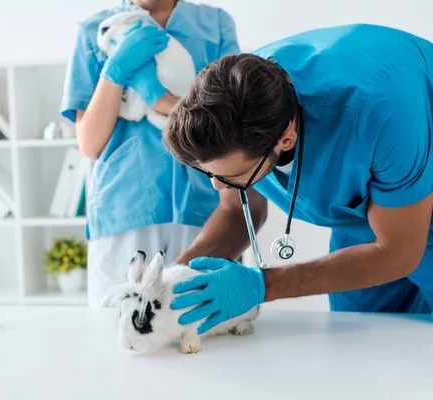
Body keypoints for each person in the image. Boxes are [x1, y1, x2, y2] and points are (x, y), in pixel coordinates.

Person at [163, 23, 433, 334]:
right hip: (362, 222)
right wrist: (174, 278)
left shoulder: (378, 111)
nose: (217, 186)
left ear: (285, 139)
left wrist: (265, 285)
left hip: (410, 166)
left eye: (232, 176)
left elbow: (396, 253)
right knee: (359, 342)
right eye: (209, 173)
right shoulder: (237, 98)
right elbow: (236, 210)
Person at [60, 0, 241, 307]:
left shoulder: (215, 25)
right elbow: (90, 143)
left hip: (205, 206)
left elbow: (231, 124)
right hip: (126, 208)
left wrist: (159, 97)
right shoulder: (96, 30)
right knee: (122, 329)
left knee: (200, 327)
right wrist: (113, 72)